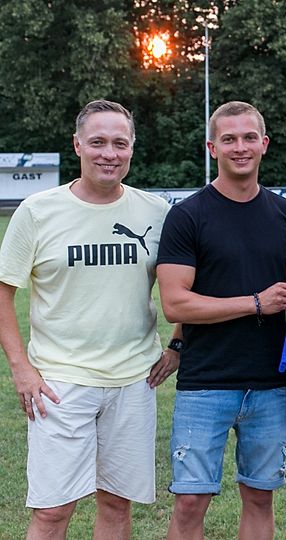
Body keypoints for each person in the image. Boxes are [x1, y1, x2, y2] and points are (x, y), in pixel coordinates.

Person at [0, 99, 179, 539]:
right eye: (97, 142)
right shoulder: (38, 211)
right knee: (53, 511)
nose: (109, 153)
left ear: (132, 149)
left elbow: (186, 285)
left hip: (135, 380)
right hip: (60, 383)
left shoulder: (156, 213)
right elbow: (4, 292)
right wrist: (21, 368)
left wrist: (178, 343)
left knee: (117, 506)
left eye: (120, 143)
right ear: (77, 144)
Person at [157, 101, 286, 539]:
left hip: (272, 381)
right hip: (206, 381)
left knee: (260, 496)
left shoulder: (284, 215)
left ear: (264, 144)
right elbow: (175, 304)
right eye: (228, 139)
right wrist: (255, 302)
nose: (239, 147)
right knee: (189, 501)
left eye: (248, 137)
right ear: (212, 147)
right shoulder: (187, 215)